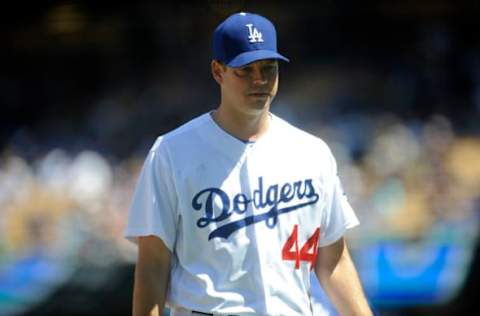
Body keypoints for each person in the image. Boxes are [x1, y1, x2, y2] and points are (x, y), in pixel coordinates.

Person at [125, 12, 373, 316]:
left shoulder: (312, 153)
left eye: (268, 68)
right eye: (245, 70)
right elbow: (153, 264)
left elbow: (333, 259)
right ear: (218, 71)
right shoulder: (172, 152)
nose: (259, 80)